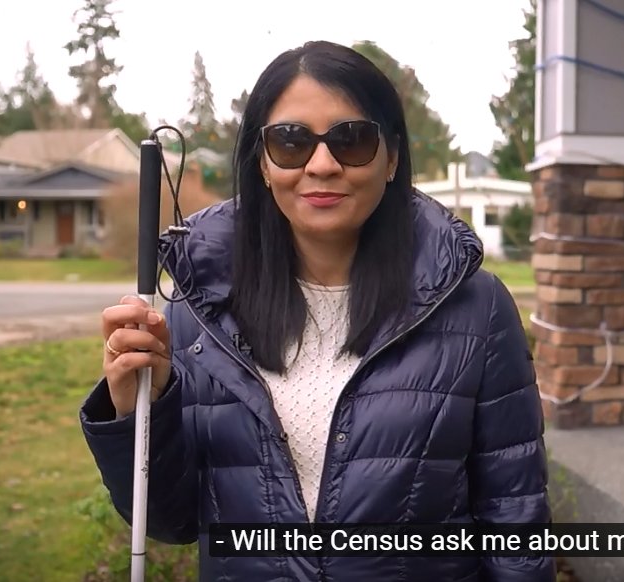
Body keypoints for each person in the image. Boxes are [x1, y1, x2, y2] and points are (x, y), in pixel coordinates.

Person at [81, 40, 553, 581]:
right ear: (262, 162)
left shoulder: (475, 307)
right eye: (291, 141)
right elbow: (171, 519)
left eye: (352, 140)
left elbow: (515, 523)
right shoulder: (199, 312)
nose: (322, 165)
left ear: (392, 158)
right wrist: (138, 408)